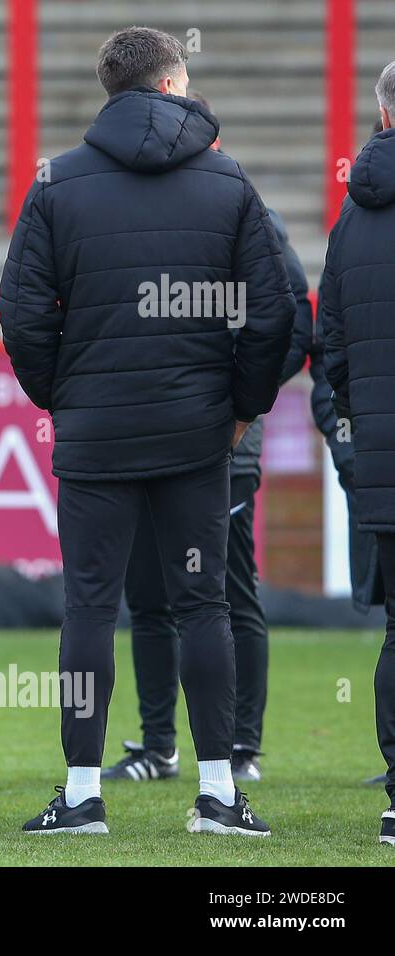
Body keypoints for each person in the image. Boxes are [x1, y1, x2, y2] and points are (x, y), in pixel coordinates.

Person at [0, 27, 293, 836]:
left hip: (97, 436)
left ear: (110, 89)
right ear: (173, 86)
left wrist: (66, 397)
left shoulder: (57, 183)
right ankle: (221, 796)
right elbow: (271, 315)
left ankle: (84, 793)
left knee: (89, 608)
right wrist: (238, 406)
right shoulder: (229, 181)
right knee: (203, 606)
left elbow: (21, 316)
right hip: (197, 435)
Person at [102, 90, 314, 786]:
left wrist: (238, 410)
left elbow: (291, 324)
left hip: (223, 445)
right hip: (144, 438)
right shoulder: (159, 214)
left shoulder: (243, 211)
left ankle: (242, 748)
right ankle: (159, 745)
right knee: (149, 596)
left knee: (224, 592)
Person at [319, 59, 395, 847]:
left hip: (382, 450)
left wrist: (361, 416)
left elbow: (328, 341)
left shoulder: (355, 213)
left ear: (381, 115)